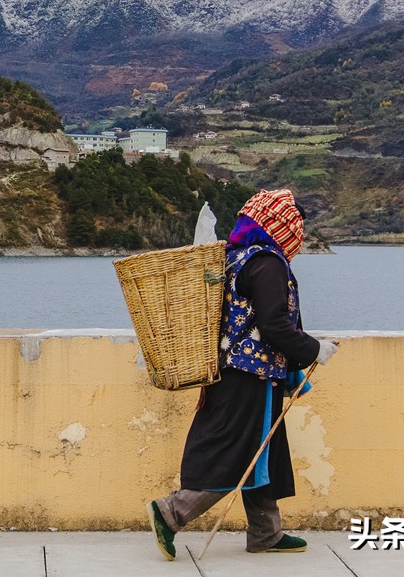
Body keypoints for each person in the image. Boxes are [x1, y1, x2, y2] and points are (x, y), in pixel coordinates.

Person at [147, 188, 339, 559]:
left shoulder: (235, 258)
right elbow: (274, 325)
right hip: (249, 375)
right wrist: (316, 349)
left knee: (262, 451)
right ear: (281, 225)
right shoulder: (267, 262)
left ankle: (266, 532)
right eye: (295, 224)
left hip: (232, 370)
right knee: (235, 453)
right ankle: (170, 512)